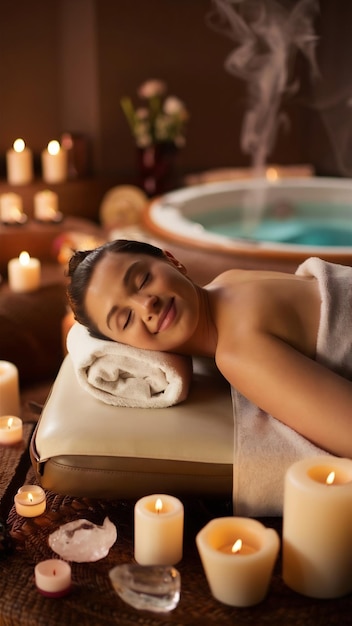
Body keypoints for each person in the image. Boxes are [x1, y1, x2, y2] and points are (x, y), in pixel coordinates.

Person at [66, 239, 352, 458]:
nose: (146, 305)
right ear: (128, 347)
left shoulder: (238, 352)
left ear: (172, 260)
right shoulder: (231, 283)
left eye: (142, 280)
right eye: (126, 319)